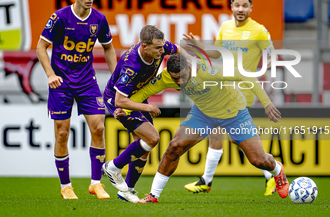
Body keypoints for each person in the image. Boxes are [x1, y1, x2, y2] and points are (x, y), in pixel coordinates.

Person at [118, 54, 288, 203]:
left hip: (234, 113)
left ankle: (277, 169)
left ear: (190, 67)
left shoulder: (211, 70)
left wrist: (267, 103)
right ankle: (153, 195)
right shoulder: (167, 77)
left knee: (258, 160)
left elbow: (248, 78)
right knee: (174, 147)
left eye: (183, 76)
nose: (180, 82)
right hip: (203, 114)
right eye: (175, 78)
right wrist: (123, 108)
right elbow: (142, 93)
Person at [183, 0, 277, 196]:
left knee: (229, 134)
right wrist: (200, 46)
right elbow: (217, 54)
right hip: (223, 86)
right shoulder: (225, 26)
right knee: (221, 133)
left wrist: (270, 62)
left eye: (245, 6)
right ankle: (207, 181)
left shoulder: (259, 30)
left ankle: (271, 174)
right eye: (237, 5)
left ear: (251, 8)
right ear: (232, 7)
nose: (241, 9)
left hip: (243, 88)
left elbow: (271, 52)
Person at [36, 0, 117, 199]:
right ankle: (66, 186)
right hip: (60, 82)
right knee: (62, 133)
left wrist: (116, 78)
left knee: (99, 128)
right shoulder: (60, 17)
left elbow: (108, 49)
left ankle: (95, 183)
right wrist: (50, 75)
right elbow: (41, 47)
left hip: (86, 81)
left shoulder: (99, 19)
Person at [102, 25, 190, 203]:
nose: (162, 50)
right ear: (144, 46)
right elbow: (119, 100)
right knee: (152, 138)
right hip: (120, 101)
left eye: (162, 46)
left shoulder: (160, 47)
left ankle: (127, 191)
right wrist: (148, 108)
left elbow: (180, 49)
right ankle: (113, 166)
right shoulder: (132, 65)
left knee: (144, 148)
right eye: (158, 48)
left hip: (138, 97)